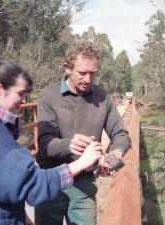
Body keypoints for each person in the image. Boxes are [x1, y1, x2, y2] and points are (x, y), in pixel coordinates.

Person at [0, 57, 102, 225]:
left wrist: (21, 217)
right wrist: (82, 163)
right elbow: (34, 186)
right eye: (20, 93)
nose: (24, 101)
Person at [35, 40, 131, 225]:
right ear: (67, 68)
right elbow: (45, 143)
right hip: (51, 181)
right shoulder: (49, 96)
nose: (88, 79)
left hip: (84, 186)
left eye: (92, 73)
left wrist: (112, 156)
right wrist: (69, 144)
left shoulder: (102, 97)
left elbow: (120, 133)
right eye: (82, 73)